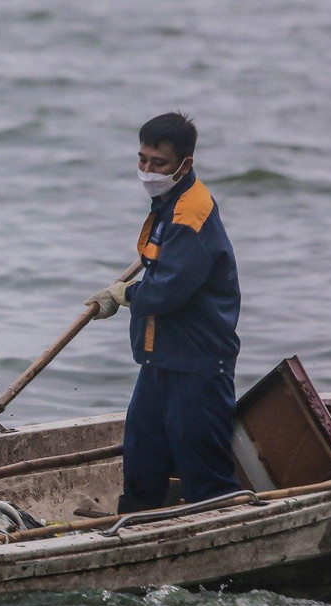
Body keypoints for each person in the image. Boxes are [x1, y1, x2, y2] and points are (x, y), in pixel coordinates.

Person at [85, 112, 242, 514]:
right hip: (162, 357)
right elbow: (158, 268)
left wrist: (124, 296)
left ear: (185, 164)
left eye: (159, 164)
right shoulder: (168, 203)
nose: (147, 171)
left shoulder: (191, 213)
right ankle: (134, 528)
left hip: (198, 362)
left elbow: (167, 291)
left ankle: (218, 539)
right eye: (142, 160)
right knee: (142, 451)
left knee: (203, 469)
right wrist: (119, 295)